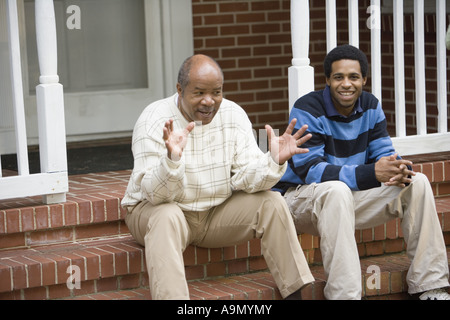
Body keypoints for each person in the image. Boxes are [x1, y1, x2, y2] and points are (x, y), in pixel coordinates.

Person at [121, 54, 315, 300]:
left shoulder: (233, 115)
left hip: (214, 213)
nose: (209, 101)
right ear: (180, 90)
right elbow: (154, 194)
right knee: (167, 215)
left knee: (272, 202)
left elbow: (246, 178)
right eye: (199, 93)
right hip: (156, 211)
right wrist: (172, 160)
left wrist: (273, 161)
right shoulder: (154, 119)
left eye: (216, 92)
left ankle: (296, 293)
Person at [274, 45, 450, 300]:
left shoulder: (370, 106)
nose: (346, 84)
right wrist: (371, 173)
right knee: (336, 189)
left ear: (364, 80)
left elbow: (384, 154)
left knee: (417, 181)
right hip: (301, 202)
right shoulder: (308, 108)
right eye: (338, 77)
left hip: (346, 199)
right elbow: (313, 171)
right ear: (327, 80)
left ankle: (430, 286)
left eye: (353, 77)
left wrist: (398, 168)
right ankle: (345, 296)